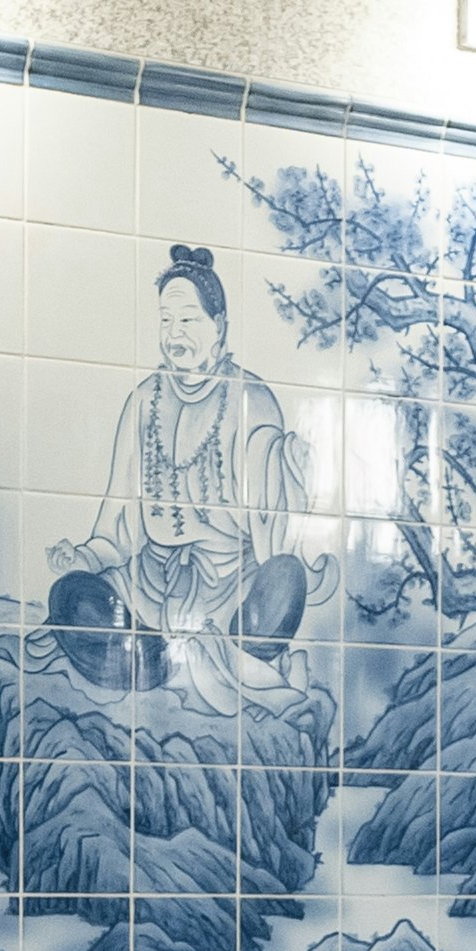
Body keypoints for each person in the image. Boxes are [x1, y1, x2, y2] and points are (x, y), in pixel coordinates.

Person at [49, 246, 313, 708]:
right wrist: (83, 556)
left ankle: (209, 657)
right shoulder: (142, 402)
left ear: (219, 327)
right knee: (71, 598)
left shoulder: (252, 400)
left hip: (231, 592)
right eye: (166, 321)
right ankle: (157, 660)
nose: (174, 334)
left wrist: (289, 472)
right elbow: (115, 529)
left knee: (285, 583)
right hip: (148, 588)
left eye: (188, 320)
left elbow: (272, 535)